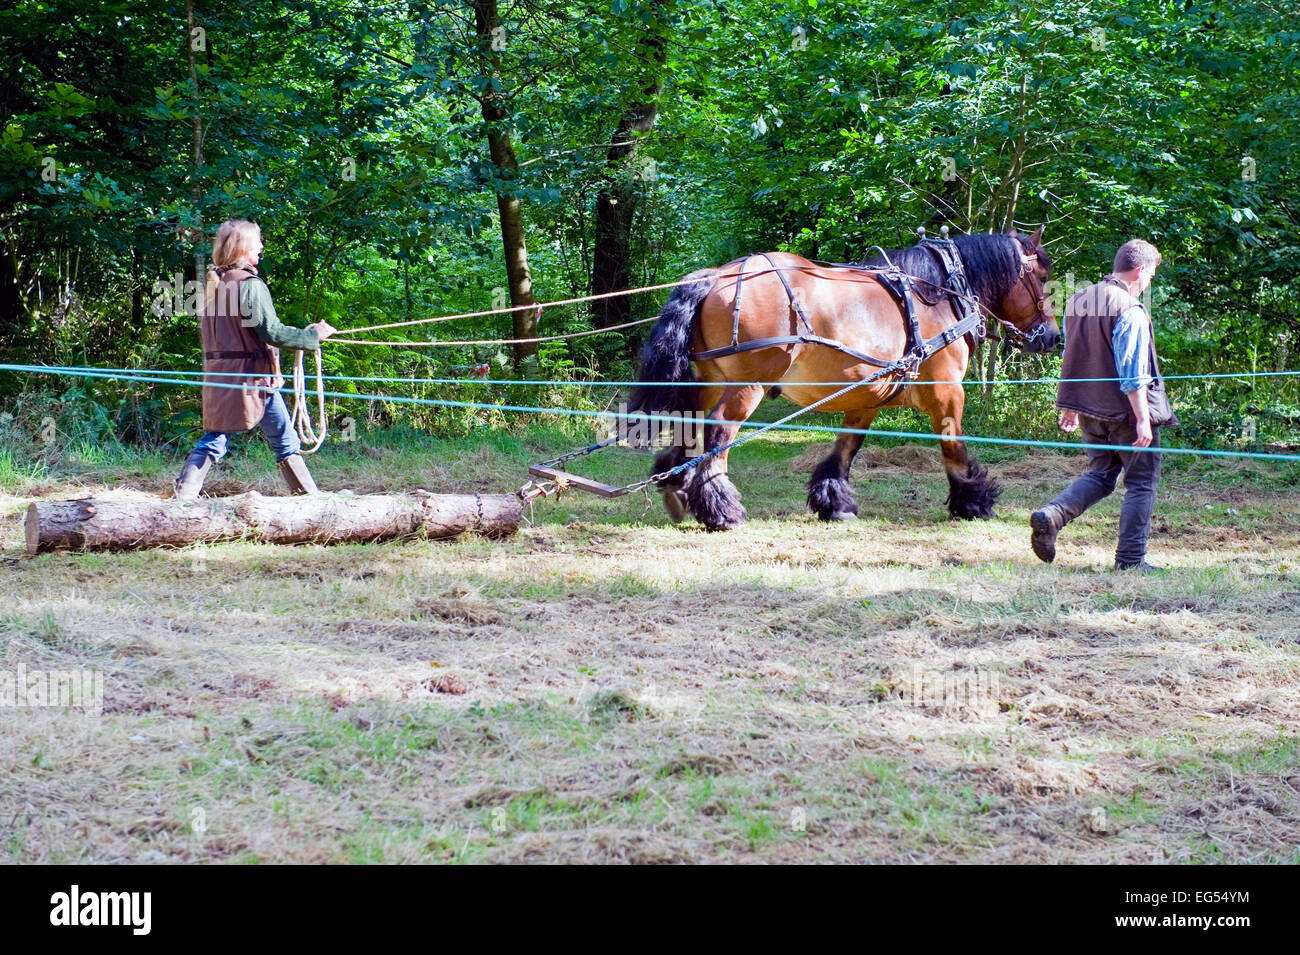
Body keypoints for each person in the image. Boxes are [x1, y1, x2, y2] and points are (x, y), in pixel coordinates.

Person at [1030, 238, 1177, 572]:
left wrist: (1070, 405)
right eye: (1151, 276)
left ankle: (1052, 516)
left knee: (1101, 473)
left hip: (1090, 413)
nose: (1149, 283)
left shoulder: (1079, 299)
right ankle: (1130, 561)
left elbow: (1073, 355)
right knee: (1141, 482)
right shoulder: (1129, 309)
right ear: (1140, 270)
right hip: (1126, 413)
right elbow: (1132, 373)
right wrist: (1143, 419)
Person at [173, 218, 336, 499]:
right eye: (257, 242)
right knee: (262, 441)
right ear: (243, 247)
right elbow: (271, 332)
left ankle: (184, 496)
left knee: (223, 437)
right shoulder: (249, 285)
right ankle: (311, 500)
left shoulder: (214, 285)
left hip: (223, 378)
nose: (261, 246)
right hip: (253, 378)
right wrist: (313, 336)